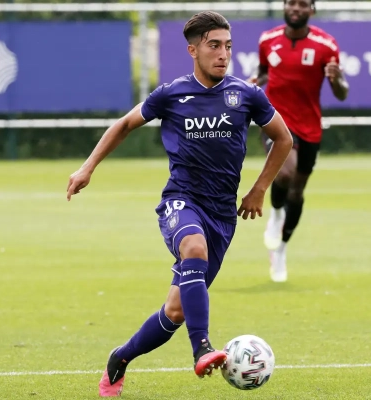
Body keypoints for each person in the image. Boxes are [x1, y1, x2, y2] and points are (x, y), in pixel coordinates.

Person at [66, 11, 293, 397]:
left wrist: (258, 190)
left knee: (175, 311)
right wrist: (87, 167)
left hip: (223, 215)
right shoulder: (171, 94)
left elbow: (284, 139)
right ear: (193, 51)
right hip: (181, 201)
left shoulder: (246, 95)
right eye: (214, 46)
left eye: (228, 46)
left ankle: (120, 357)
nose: (223, 54)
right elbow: (124, 124)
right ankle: (202, 347)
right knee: (193, 247)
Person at [249, 0, 349, 282]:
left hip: (310, 127)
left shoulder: (326, 45)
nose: (295, 8)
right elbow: (265, 72)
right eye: (291, 3)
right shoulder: (268, 39)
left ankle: (281, 249)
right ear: (284, 7)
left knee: (297, 191)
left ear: (311, 10)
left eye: (302, 4)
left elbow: (341, 92)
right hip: (276, 120)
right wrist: (255, 82)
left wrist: (337, 80)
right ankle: (276, 213)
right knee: (285, 173)